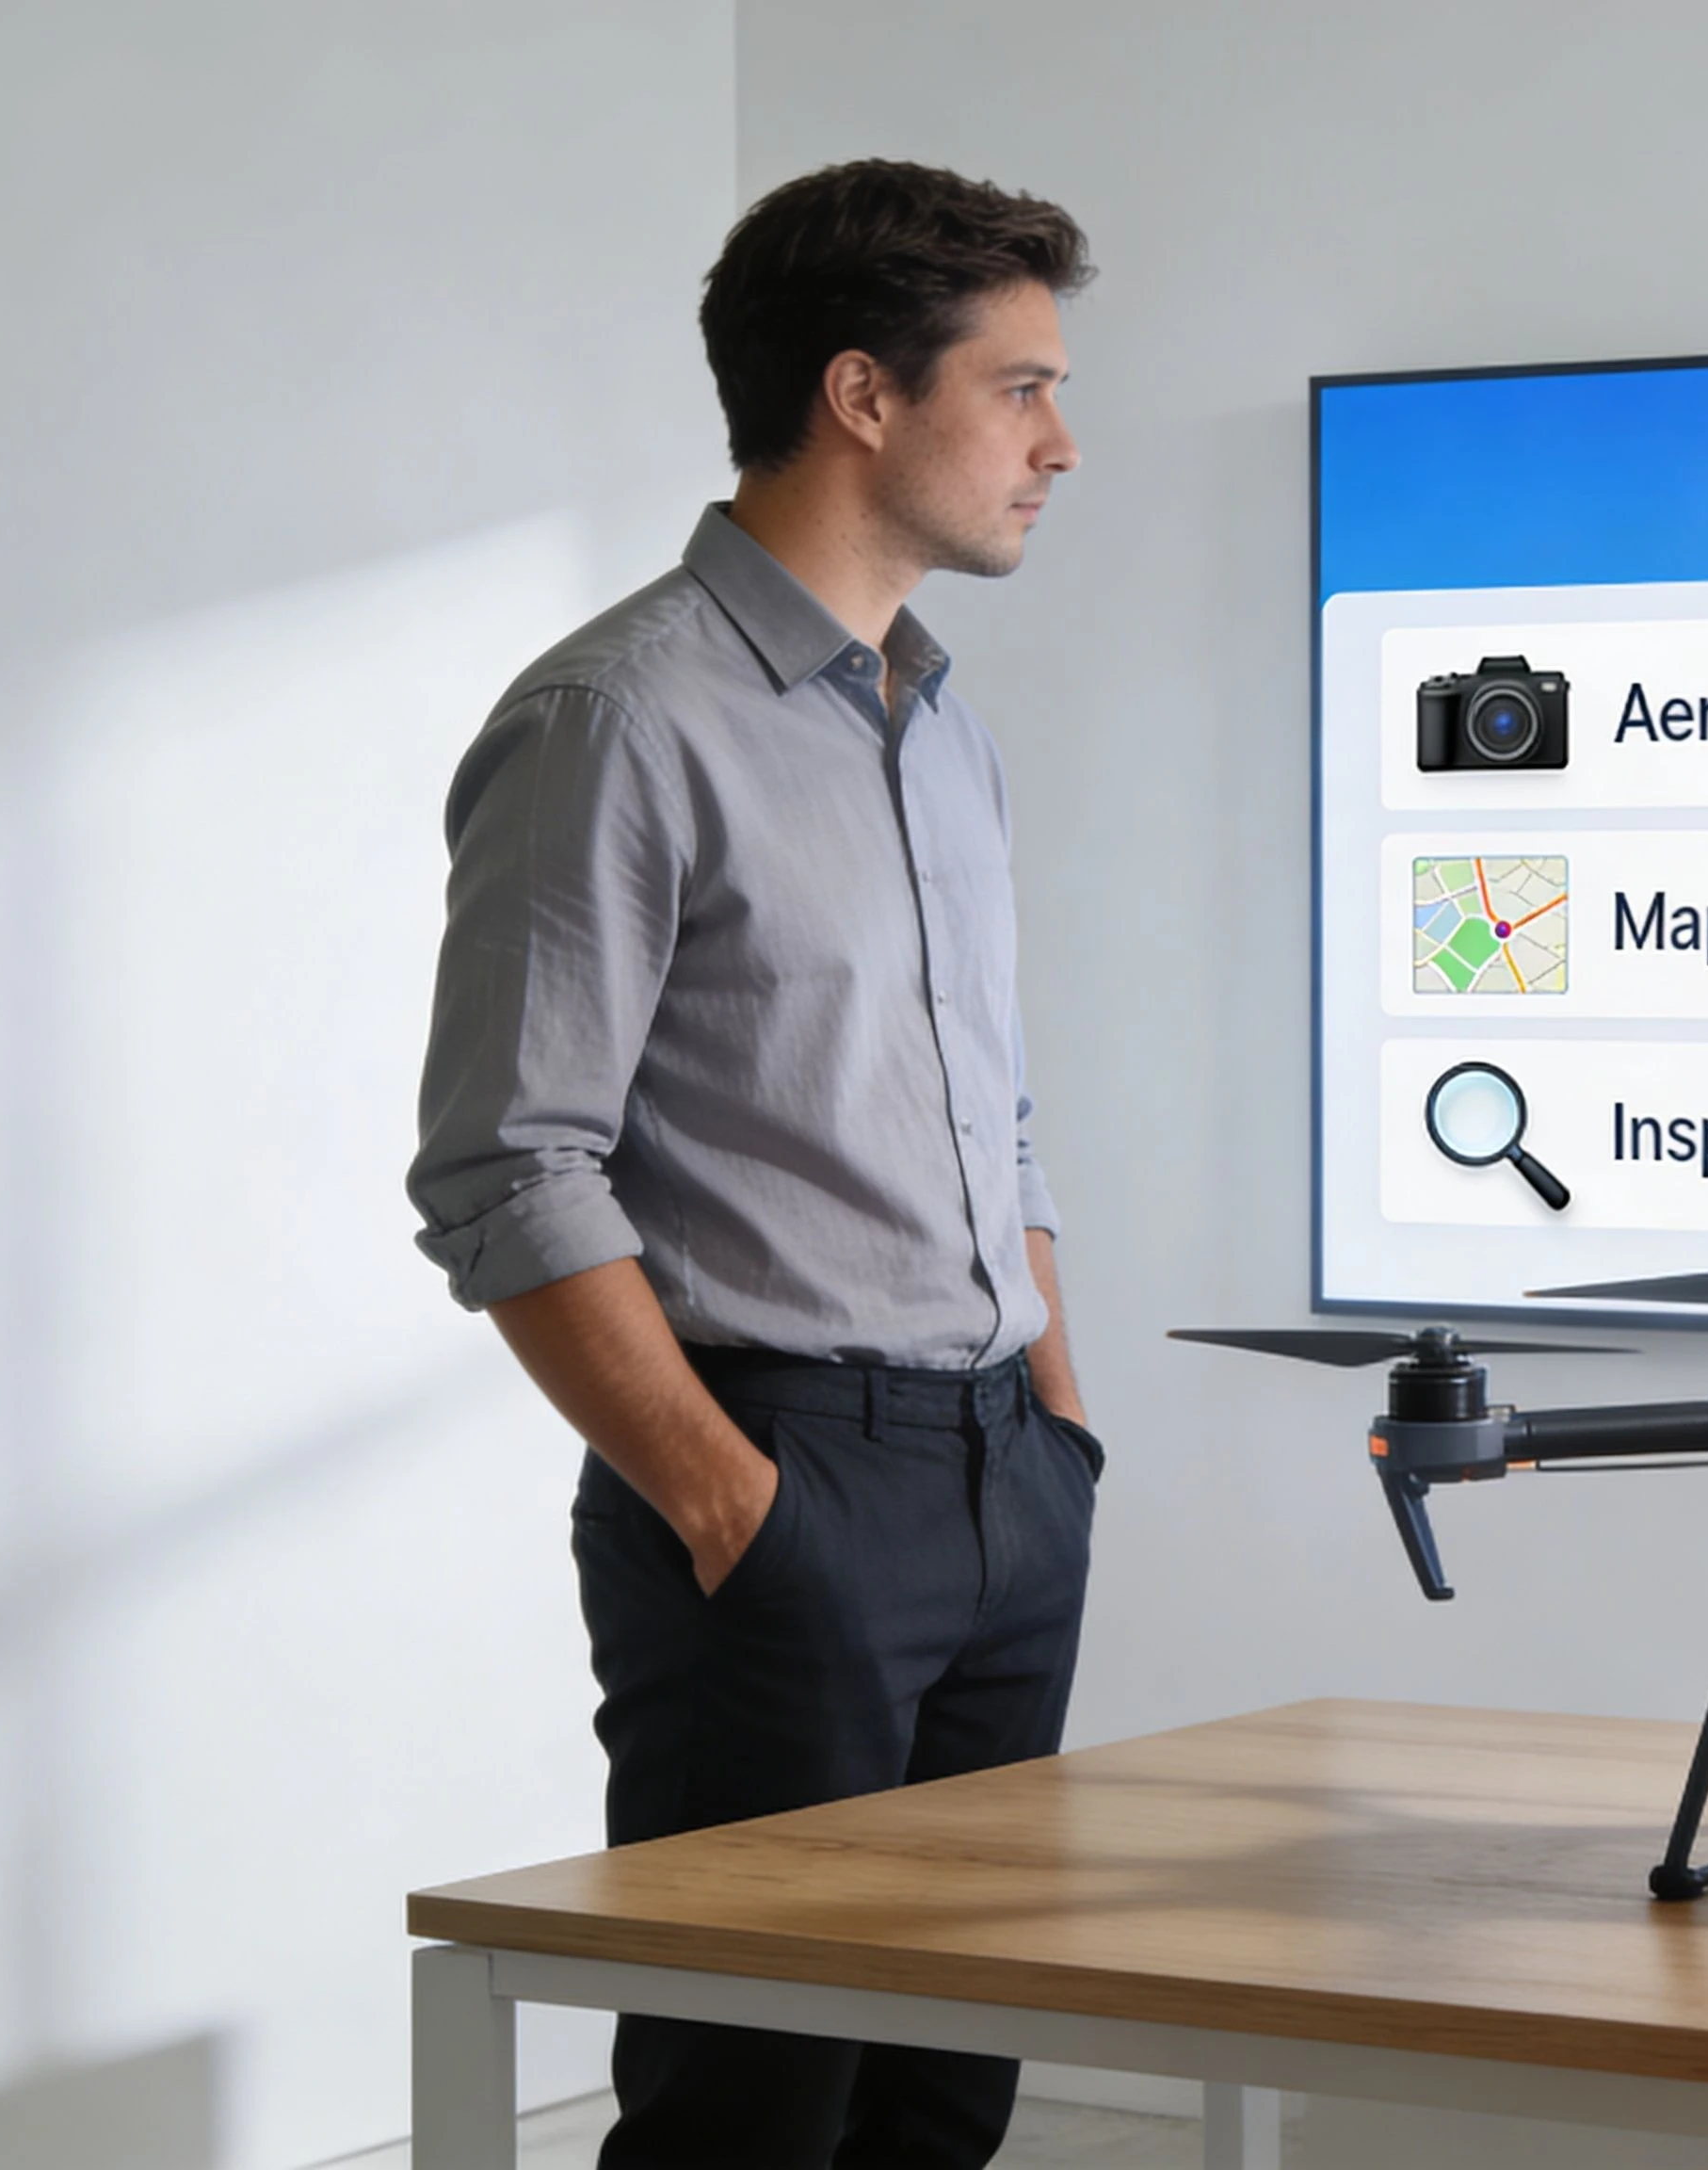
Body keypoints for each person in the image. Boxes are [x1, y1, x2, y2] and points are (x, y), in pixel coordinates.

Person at [406, 159, 1101, 2170]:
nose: (1064, 442)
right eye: (1023, 386)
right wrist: (731, 1505)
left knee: (942, 2098)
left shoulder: (938, 720)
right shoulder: (614, 720)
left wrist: (1054, 1426)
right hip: (784, 1486)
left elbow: (999, 1111)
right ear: (863, 394)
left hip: (999, 1479)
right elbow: (508, 1169)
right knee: (749, 2113)